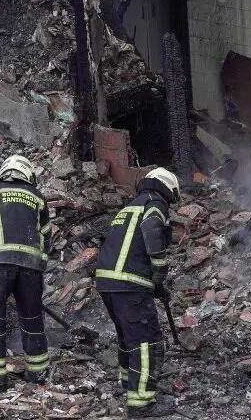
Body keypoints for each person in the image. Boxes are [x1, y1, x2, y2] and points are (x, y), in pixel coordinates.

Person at [95, 168, 179, 418]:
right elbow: (152, 232)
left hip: (108, 283)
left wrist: (154, 286)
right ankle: (142, 403)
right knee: (147, 343)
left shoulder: (129, 208)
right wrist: (159, 273)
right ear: (167, 189)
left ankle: (129, 385)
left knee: (128, 339)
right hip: (129, 283)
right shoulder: (155, 205)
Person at [0, 154, 51, 393]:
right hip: (31, 268)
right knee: (32, 319)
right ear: (27, 174)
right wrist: (39, 264)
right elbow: (46, 236)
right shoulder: (37, 197)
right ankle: (38, 374)